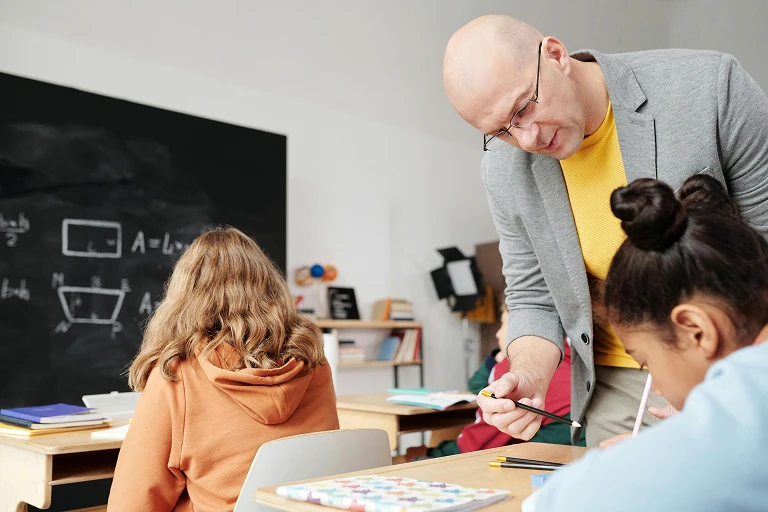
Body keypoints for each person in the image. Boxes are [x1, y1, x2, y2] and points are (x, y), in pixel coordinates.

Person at [442, 14, 768, 446]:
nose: (527, 139)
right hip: (615, 384)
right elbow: (532, 294)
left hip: (736, 361)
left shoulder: (710, 87)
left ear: (555, 55)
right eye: (501, 131)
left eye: (523, 109)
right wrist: (526, 374)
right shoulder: (506, 171)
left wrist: (728, 386)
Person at [523, 175, 768, 511]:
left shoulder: (748, 408)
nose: (656, 383)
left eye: (646, 363)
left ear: (697, 331)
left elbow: (556, 503)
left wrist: (658, 456)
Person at [108, 228, 339, 511]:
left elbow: (133, 502)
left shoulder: (175, 374)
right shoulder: (313, 361)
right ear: (270, 285)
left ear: (185, 294)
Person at [407, 306, 583, 460]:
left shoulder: (513, 371)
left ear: (521, 328)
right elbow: (478, 387)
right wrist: (497, 357)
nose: (498, 333)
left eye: (503, 324)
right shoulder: (567, 359)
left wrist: (434, 454)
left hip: (560, 442)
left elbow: (481, 438)